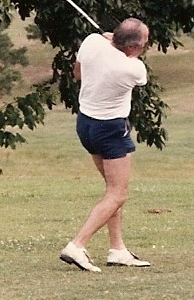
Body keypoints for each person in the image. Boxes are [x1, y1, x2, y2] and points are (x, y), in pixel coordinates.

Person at [59, 18, 153, 273]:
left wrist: (107, 42)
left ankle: (117, 249)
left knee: (112, 191)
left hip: (86, 125)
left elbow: (77, 73)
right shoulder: (135, 69)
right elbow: (128, 62)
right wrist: (114, 44)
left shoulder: (91, 41)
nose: (145, 48)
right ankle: (77, 245)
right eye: (143, 44)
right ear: (133, 47)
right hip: (111, 130)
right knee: (118, 193)